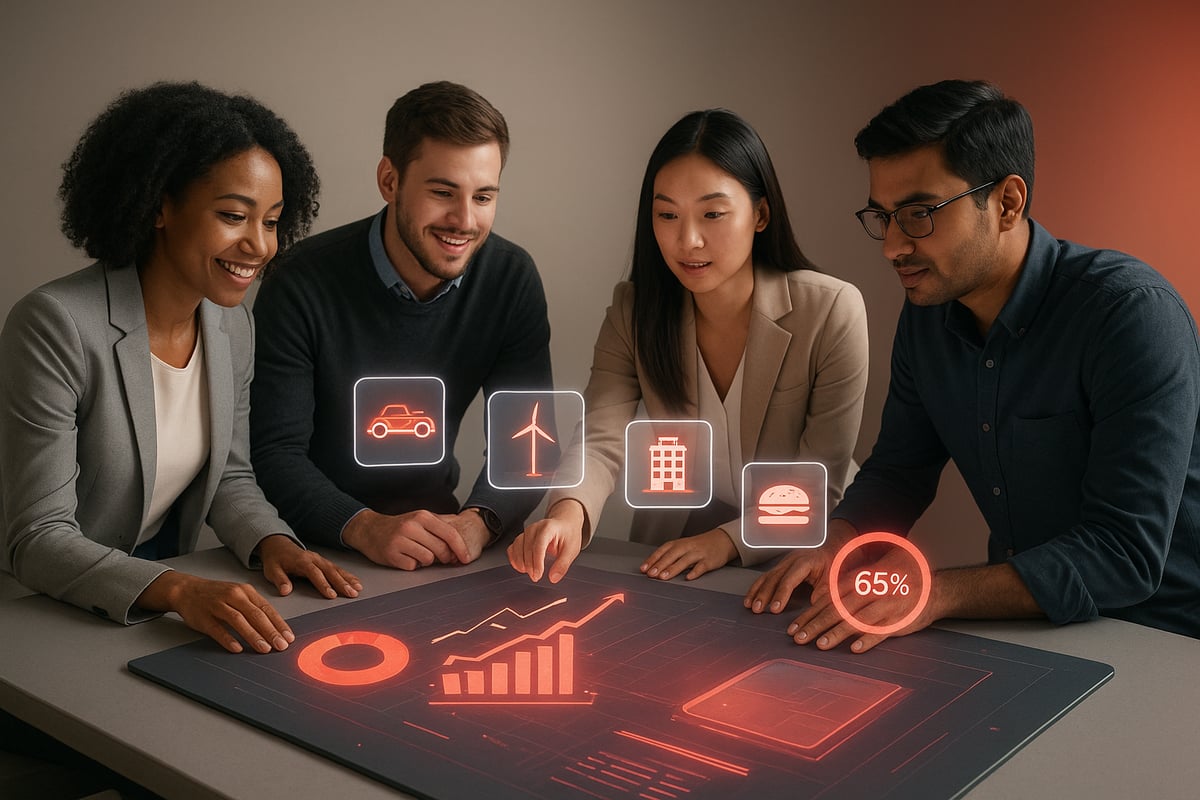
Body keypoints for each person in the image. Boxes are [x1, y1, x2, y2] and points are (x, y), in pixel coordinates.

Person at [746, 79, 1200, 650]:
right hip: (1029, 628)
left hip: (1168, 641)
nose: (891, 246)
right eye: (882, 216)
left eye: (917, 213)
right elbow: (899, 470)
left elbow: (1124, 554)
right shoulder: (928, 314)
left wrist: (937, 593)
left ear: (1008, 202)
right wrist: (838, 541)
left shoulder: (1130, 316)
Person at [0, 81, 361, 655]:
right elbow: (37, 538)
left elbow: (231, 478)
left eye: (271, 221)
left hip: (152, 612)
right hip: (41, 616)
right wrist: (179, 589)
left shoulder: (232, 326)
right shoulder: (55, 324)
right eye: (233, 216)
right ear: (160, 206)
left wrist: (273, 541)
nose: (260, 246)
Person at [508, 109, 869, 584]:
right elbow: (601, 436)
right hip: (682, 541)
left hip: (808, 546)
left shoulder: (831, 309)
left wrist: (724, 541)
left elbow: (819, 479)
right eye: (667, 215)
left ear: (760, 214)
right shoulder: (633, 310)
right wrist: (569, 512)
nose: (688, 239)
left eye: (713, 214)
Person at [250, 81, 553, 571]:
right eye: (442, 192)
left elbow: (530, 445)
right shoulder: (301, 279)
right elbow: (272, 453)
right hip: (313, 552)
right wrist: (364, 525)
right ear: (389, 181)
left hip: (440, 545)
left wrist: (480, 522)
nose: (464, 220)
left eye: (483, 197)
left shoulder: (510, 279)